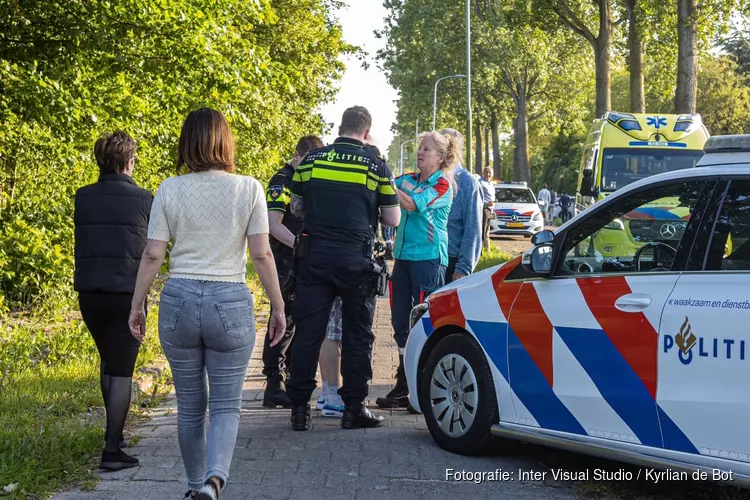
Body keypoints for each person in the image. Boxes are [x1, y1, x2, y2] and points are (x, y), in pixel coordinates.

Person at [127, 108, 286, 500]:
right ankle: (213, 484)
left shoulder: (169, 188)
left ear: (187, 143)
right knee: (227, 405)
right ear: (226, 141)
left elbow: (152, 255)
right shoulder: (248, 188)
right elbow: (263, 255)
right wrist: (279, 306)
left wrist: (137, 304)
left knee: (190, 406)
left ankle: (193, 484)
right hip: (229, 300)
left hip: (179, 299)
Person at [285, 105, 401, 431]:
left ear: (339, 127)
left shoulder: (311, 160)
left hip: (314, 258)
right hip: (356, 261)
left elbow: (296, 206)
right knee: (357, 336)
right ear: (366, 133)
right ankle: (354, 409)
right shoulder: (376, 166)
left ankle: (299, 409)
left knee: (309, 332)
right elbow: (392, 218)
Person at [74, 131, 153, 471]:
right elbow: (149, 250)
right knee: (122, 369)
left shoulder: (83, 197)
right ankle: (111, 451)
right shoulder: (145, 199)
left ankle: (115, 435)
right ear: (129, 161)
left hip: (90, 294)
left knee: (108, 360)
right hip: (125, 293)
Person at [376, 130, 456, 409]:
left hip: (429, 259)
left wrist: (386, 182)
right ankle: (403, 385)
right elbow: (384, 190)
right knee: (399, 322)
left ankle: (423, 387)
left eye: (427, 149)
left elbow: (410, 204)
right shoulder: (407, 179)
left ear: (441, 158)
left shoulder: (443, 184)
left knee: (424, 322)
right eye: (420, 148)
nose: (420, 152)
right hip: (402, 259)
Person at [262, 135, 324, 409]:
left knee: (300, 321)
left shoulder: (309, 177)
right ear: (298, 157)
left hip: (305, 259)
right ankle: (273, 384)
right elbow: (274, 224)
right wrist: (300, 246)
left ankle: (289, 379)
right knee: (282, 320)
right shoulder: (281, 180)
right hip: (286, 260)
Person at [440, 128, 482, 285]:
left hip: (452, 261)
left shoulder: (468, 182)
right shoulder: (434, 178)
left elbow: (473, 228)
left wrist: (464, 268)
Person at [478, 166, 495, 251]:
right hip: (483, 209)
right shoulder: (480, 183)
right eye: (486, 172)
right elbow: (478, 198)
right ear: (483, 173)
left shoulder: (491, 184)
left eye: (490, 173)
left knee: (487, 231)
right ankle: (479, 251)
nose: (488, 174)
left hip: (490, 210)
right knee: (482, 231)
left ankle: (487, 250)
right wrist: (486, 203)